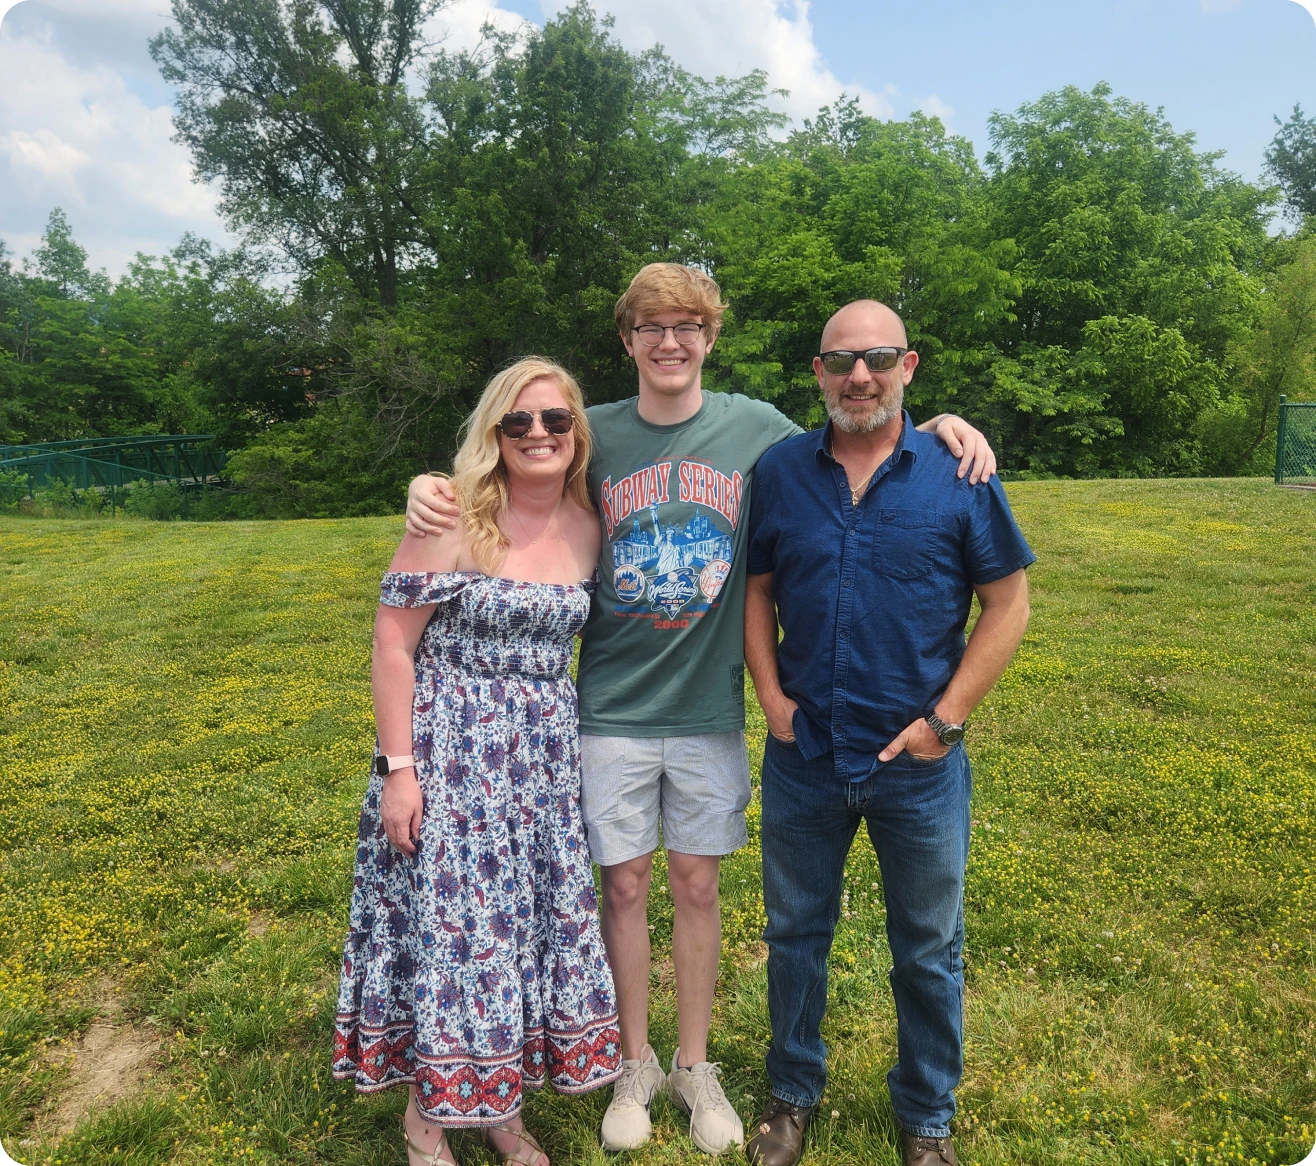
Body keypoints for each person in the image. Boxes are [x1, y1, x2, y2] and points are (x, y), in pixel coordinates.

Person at [402, 265, 999, 1156]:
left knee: (696, 884)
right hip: (607, 709)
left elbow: (859, 429)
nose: (670, 342)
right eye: (652, 327)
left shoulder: (758, 429)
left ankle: (695, 1063)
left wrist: (947, 424)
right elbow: (507, 477)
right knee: (626, 885)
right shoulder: (587, 432)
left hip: (710, 709)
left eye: (687, 326)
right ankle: (633, 1063)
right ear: (628, 341)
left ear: (710, 338)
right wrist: (426, 483)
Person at [742, 301, 1034, 1166]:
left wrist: (946, 722)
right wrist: (770, 695)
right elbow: (757, 591)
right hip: (806, 755)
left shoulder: (958, 472)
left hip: (918, 765)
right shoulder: (782, 470)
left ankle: (927, 1115)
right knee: (795, 934)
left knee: (929, 946)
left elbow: (1008, 602)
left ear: (909, 364)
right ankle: (792, 1092)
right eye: (840, 362)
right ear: (818, 373)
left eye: (876, 358)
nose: (857, 376)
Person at [333, 358, 622, 1166]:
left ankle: (500, 1107)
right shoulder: (451, 516)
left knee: (522, 932)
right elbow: (393, 642)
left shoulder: (589, 524)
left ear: (577, 434)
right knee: (461, 938)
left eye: (555, 421)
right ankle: (430, 1117)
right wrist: (401, 769)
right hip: (452, 756)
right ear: (494, 434)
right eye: (518, 422)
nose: (538, 435)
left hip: (540, 764)